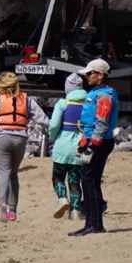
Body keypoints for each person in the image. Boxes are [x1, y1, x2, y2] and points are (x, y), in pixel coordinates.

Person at [0, 71, 49, 222]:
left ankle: (2, 205)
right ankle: (13, 210)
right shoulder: (26, 99)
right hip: (20, 139)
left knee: (4, 172)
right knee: (13, 173)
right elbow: (43, 119)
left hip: (2, 138)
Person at [70, 58, 120, 236]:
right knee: (87, 180)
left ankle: (96, 224)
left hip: (99, 142)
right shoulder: (97, 92)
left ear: (100, 75)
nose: (87, 77)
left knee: (90, 180)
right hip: (93, 140)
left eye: (90, 74)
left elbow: (102, 122)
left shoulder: (104, 95)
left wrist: (92, 146)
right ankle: (90, 223)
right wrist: (84, 142)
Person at [49, 73, 86, 221]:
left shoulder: (63, 103)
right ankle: (75, 211)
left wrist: (53, 138)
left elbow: (54, 125)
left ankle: (62, 198)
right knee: (75, 181)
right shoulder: (88, 103)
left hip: (62, 145)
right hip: (80, 147)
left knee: (58, 177)